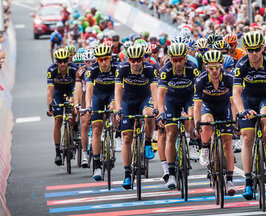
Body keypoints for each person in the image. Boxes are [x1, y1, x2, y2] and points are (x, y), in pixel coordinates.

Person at [231, 31, 266, 200]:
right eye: (250, 50)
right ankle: (247, 183)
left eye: (257, 49)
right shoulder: (241, 65)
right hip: (248, 99)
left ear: (263, 48)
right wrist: (241, 112)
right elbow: (236, 93)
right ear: (245, 49)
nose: (254, 54)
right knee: (247, 138)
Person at [156, 43, 200, 190]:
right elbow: (161, 94)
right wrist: (161, 112)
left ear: (185, 59)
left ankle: (194, 140)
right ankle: (171, 173)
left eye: (181, 60)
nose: (178, 63)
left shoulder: (192, 68)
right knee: (171, 133)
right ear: (171, 60)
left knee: (193, 114)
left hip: (189, 98)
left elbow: (199, 91)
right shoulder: (166, 69)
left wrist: (196, 115)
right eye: (175, 60)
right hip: (171, 100)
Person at [193, 50, 237, 196]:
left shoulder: (230, 77)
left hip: (224, 107)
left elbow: (233, 101)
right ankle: (205, 147)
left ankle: (230, 179)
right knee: (206, 123)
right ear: (206, 67)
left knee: (227, 143)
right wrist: (196, 124)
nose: (214, 71)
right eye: (210, 68)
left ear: (221, 66)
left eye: (217, 67)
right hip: (208, 107)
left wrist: (234, 120)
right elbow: (197, 106)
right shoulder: (200, 80)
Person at [114, 45, 158, 189]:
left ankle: (148, 142)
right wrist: (118, 108)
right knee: (127, 138)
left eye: (138, 60)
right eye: (132, 60)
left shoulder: (150, 68)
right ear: (129, 60)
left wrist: (157, 108)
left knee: (149, 114)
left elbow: (154, 90)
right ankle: (127, 174)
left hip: (145, 98)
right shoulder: (122, 68)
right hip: (128, 101)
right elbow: (118, 89)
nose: (136, 63)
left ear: (143, 59)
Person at [84, 44, 119, 181]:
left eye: (105, 59)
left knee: (115, 107)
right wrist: (88, 106)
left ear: (110, 58)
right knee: (97, 128)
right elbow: (89, 89)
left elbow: (121, 88)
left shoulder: (117, 67)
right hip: (98, 95)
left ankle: (117, 134)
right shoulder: (92, 69)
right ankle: (97, 165)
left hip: (112, 94)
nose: (103, 62)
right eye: (100, 59)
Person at [46, 48, 79, 165]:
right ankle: (58, 153)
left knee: (73, 113)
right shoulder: (52, 69)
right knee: (58, 120)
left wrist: (74, 101)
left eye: (65, 61)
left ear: (68, 60)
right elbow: (50, 90)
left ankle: (75, 127)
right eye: (60, 61)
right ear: (56, 62)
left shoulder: (74, 68)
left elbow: (77, 88)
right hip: (58, 92)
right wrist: (49, 106)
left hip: (71, 90)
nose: (63, 64)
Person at [73, 49, 96, 168]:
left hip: (97, 95)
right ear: (84, 62)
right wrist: (77, 104)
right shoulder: (80, 72)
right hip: (85, 94)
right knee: (85, 122)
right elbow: (78, 90)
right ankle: (85, 153)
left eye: (93, 62)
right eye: (88, 62)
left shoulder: (99, 69)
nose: (90, 64)